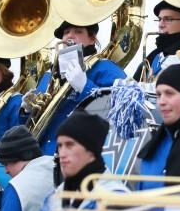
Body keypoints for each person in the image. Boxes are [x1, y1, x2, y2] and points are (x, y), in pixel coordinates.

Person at [27, 21, 126, 155]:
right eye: (66, 32)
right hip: (41, 155)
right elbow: (30, 125)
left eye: (78, 31)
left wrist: (85, 88)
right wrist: (27, 111)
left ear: (92, 39)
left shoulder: (106, 68)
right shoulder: (49, 74)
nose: (70, 36)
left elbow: (123, 113)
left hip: (82, 156)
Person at [54, 111, 128, 211]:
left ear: (91, 150)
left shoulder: (117, 199)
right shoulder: (57, 195)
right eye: (60, 146)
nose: (62, 154)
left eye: (70, 145)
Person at [0, 125, 56, 211]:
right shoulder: (60, 167)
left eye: (6, 163)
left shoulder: (17, 186)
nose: (6, 170)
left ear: (22, 157)